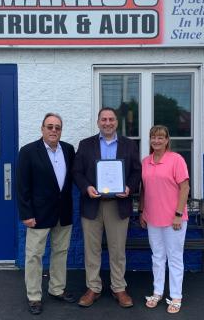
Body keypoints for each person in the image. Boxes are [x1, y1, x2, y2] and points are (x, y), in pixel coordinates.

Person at [73, 107, 141, 308]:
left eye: (111, 119)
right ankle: (93, 287)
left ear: (116, 122)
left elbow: (137, 172)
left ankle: (118, 287)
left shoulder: (129, 145)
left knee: (118, 250)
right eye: (104, 119)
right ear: (98, 122)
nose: (108, 123)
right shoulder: (86, 145)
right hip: (92, 204)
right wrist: (87, 187)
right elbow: (76, 172)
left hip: (118, 205)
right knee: (91, 249)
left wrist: (129, 187)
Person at [17, 113, 76, 315]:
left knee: (61, 252)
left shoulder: (68, 149)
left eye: (57, 127)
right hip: (38, 214)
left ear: (61, 130)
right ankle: (34, 296)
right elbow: (22, 186)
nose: (53, 130)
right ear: (42, 129)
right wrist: (26, 213)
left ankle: (57, 289)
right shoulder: (28, 151)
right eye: (49, 126)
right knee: (34, 255)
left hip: (63, 212)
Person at [139, 125, 190, 314]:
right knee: (157, 257)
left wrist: (178, 214)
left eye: (161, 137)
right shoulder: (146, 162)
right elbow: (144, 189)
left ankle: (176, 296)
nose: (156, 140)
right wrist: (142, 211)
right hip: (152, 218)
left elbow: (185, 188)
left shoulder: (176, 160)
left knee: (175, 258)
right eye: (153, 137)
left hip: (173, 219)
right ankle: (157, 292)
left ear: (167, 140)